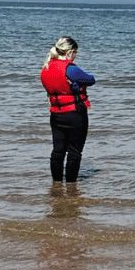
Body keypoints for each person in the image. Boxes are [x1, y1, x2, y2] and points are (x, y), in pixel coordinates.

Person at [40, 37, 96, 183]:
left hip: (56, 115)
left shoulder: (46, 68)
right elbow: (91, 79)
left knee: (57, 152)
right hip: (75, 114)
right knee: (74, 152)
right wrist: (76, 84)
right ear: (70, 52)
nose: (75, 56)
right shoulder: (70, 69)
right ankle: (71, 188)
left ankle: (56, 185)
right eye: (75, 53)